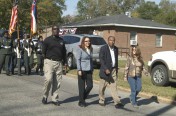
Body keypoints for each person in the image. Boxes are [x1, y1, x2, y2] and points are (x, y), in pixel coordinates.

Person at [42, 25, 67, 106]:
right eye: (54, 29)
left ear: (59, 30)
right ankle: (45, 96)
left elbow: (64, 53)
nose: (55, 30)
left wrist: (65, 63)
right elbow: (43, 51)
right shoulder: (47, 40)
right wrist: (46, 60)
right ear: (52, 30)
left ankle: (54, 98)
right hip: (49, 61)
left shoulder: (61, 41)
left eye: (57, 29)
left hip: (59, 63)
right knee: (48, 79)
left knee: (57, 82)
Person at [99, 36, 124, 109]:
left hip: (113, 70)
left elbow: (116, 60)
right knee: (102, 86)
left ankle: (117, 102)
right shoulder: (103, 48)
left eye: (113, 40)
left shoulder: (116, 49)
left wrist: (116, 70)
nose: (112, 42)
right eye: (110, 40)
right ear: (108, 40)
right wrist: (105, 69)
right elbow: (101, 59)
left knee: (114, 86)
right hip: (105, 70)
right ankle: (101, 99)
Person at [76, 36, 93, 107]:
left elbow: (91, 59)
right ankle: (81, 102)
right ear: (83, 42)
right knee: (81, 87)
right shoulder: (80, 49)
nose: (87, 42)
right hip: (82, 70)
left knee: (90, 86)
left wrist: (92, 68)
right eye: (86, 41)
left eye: (88, 41)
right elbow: (78, 59)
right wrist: (79, 69)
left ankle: (82, 97)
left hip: (89, 70)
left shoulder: (91, 49)